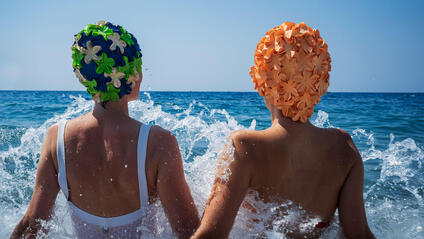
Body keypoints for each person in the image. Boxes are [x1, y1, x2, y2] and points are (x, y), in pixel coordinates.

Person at [11, 21, 199, 239]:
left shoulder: (57, 138)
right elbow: (189, 231)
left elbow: (31, 227)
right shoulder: (158, 143)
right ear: (133, 72)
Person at [192, 22, 375, 239]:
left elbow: (212, 234)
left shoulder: (244, 146)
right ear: (320, 82)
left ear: (262, 82)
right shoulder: (344, 148)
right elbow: (359, 234)